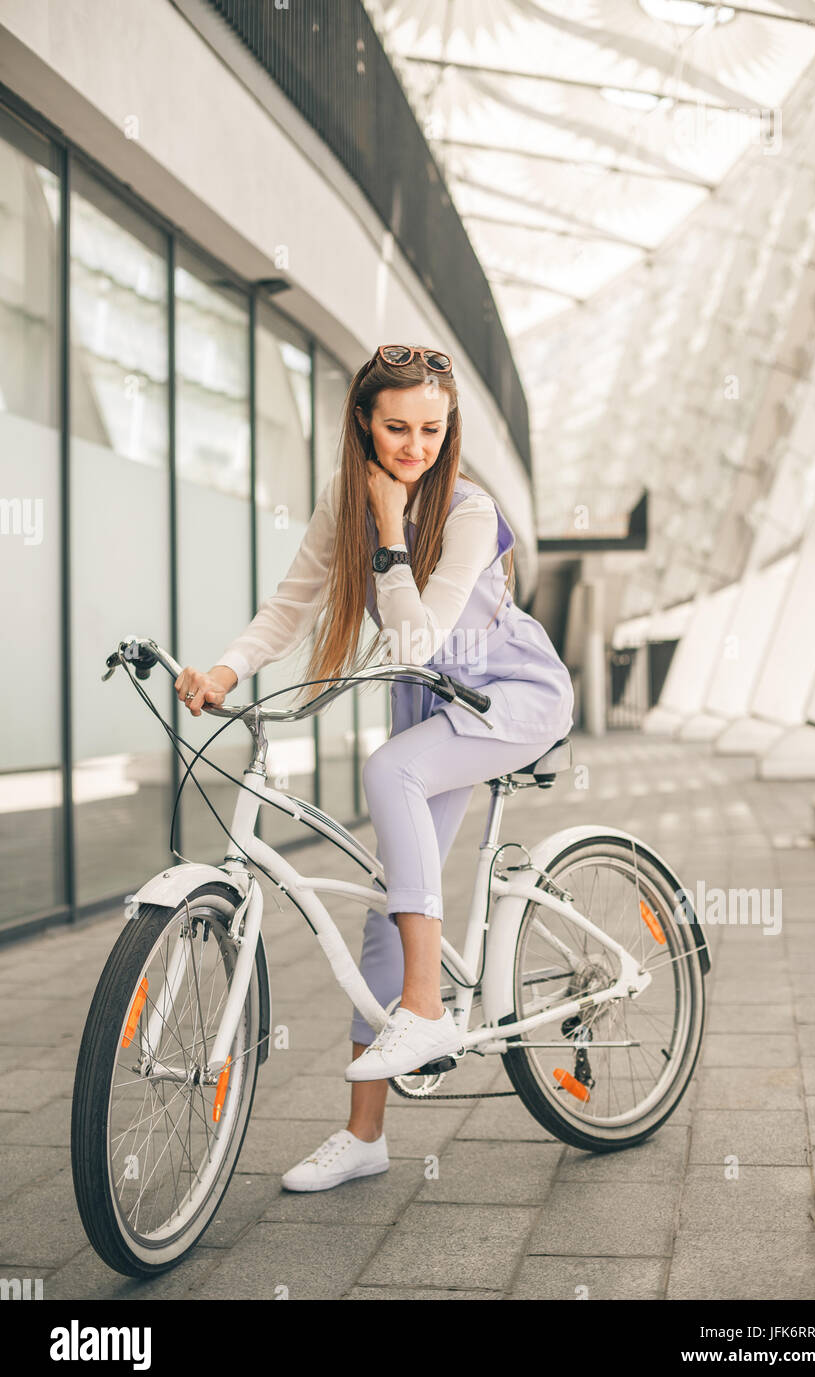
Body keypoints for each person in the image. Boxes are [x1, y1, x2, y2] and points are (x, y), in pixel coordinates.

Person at [174, 344, 574, 1191]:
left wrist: (391, 531)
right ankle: (365, 1138)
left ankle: (426, 1010)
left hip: (510, 696)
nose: (415, 445)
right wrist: (225, 671)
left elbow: (417, 638)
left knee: (388, 771)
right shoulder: (343, 498)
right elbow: (293, 603)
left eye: (432, 428)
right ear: (362, 420)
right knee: (382, 920)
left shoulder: (467, 511)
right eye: (397, 426)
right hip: (434, 709)